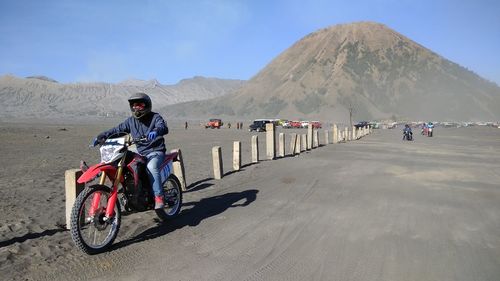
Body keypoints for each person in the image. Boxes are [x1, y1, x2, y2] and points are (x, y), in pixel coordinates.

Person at [92, 93, 169, 209]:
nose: (136, 107)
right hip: (140, 151)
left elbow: (162, 126)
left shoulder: (155, 117)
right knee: (120, 162)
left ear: (147, 105)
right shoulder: (130, 121)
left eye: (140, 105)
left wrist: (156, 131)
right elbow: (117, 130)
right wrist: (103, 135)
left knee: (151, 167)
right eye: (134, 105)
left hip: (155, 151)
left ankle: (159, 197)